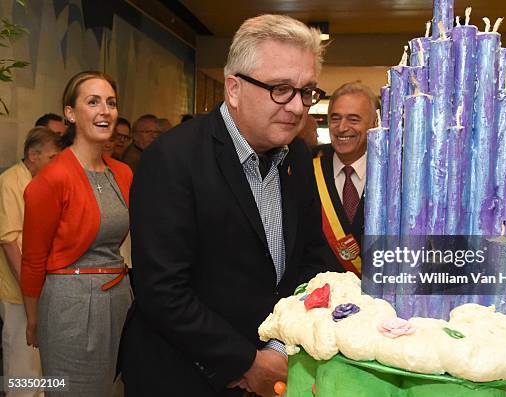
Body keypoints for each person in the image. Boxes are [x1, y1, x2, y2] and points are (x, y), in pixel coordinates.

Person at [119, 14, 332, 397]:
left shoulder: (297, 157)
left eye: (306, 91)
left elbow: (312, 262)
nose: (298, 107)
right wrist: (246, 363)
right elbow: (163, 291)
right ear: (233, 89)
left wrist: (279, 347)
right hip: (182, 375)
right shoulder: (172, 158)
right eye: (281, 89)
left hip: (272, 369)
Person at [20, 71, 133, 396]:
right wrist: (33, 318)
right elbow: (33, 258)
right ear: (70, 113)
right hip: (71, 306)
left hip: (118, 301)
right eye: (93, 101)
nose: (105, 111)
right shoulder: (52, 179)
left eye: (111, 103)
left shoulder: (122, 173)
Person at [0, 127, 61, 397]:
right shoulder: (10, 181)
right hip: (19, 292)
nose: (56, 163)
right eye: (52, 157)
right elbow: (9, 241)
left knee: (41, 368)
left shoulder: (44, 182)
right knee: (22, 366)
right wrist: (30, 289)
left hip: (43, 288)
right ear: (32, 155)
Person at [313, 82, 378, 275]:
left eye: (353, 119)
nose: (342, 128)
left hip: (378, 296)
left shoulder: (394, 172)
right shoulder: (308, 166)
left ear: (374, 124)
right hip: (318, 294)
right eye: (335, 118)